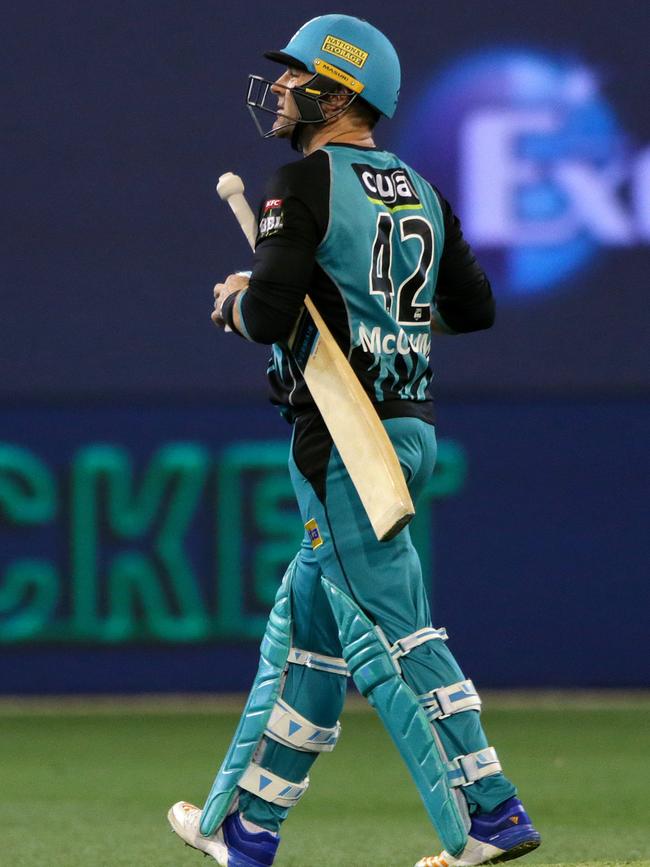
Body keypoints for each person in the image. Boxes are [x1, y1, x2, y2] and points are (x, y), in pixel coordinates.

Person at [168, 14, 540, 867]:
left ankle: (489, 812)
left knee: (393, 633)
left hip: (341, 441)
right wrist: (388, 332)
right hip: (408, 426)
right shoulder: (418, 187)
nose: (285, 90)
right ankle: (246, 828)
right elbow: (472, 309)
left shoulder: (301, 184)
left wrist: (234, 301)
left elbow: (265, 315)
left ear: (340, 93)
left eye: (301, 77)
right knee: (304, 639)